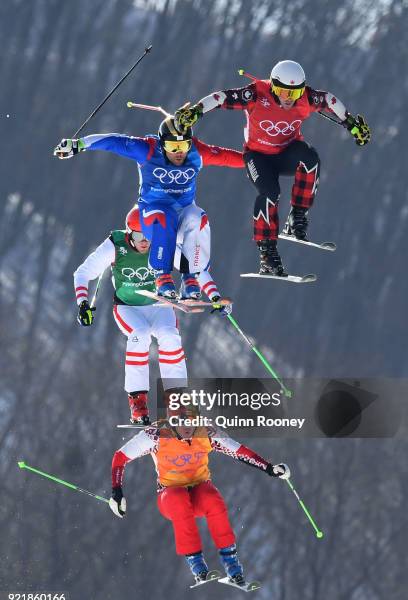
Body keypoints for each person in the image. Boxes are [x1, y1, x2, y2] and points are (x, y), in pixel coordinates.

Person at [174, 60, 371, 276]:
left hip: (286, 154)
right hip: (257, 157)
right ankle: (267, 253)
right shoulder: (257, 94)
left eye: (294, 93)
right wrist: (195, 112)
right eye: (283, 91)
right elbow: (220, 98)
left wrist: (352, 124)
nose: (288, 98)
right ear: (273, 86)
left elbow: (330, 100)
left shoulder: (307, 98)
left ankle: (297, 217)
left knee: (310, 159)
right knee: (270, 192)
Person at [55, 116, 244, 296]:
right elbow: (113, 142)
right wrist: (79, 144)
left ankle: (189, 279)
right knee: (166, 214)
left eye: (183, 145)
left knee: (198, 217)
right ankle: (162, 277)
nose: (179, 152)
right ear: (162, 143)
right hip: (153, 216)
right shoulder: (148, 150)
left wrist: (259, 162)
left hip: (181, 218)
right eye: (172, 146)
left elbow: (226, 157)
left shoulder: (197, 153)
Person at [73, 207, 228, 425]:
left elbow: (193, 268)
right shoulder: (115, 245)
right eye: (138, 236)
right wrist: (82, 304)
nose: (145, 242)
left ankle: (177, 401)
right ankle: (138, 402)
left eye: (148, 235)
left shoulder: (161, 244)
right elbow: (83, 273)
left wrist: (214, 295)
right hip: (128, 307)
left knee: (170, 336)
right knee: (141, 334)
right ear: (129, 234)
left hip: (159, 305)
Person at [108, 402, 290, 585]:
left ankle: (232, 564)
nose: (188, 427)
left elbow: (239, 452)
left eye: (192, 422)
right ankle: (196, 564)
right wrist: (117, 491)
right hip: (169, 496)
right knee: (178, 497)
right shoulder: (156, 435)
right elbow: (120, 457)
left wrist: (269, 468)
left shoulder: (206, 432)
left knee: (211, 497)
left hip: (199, 493)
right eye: (182, 422)